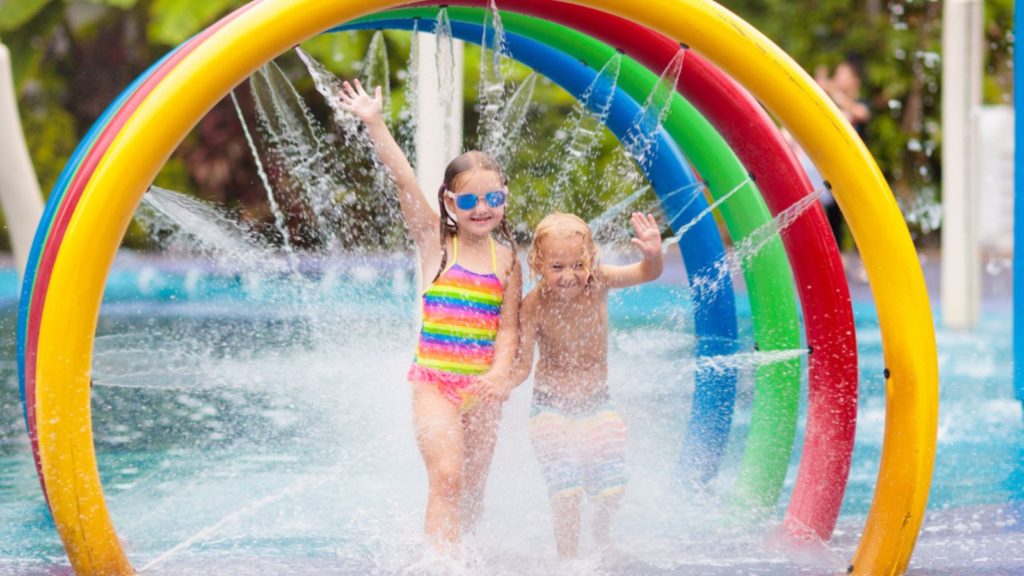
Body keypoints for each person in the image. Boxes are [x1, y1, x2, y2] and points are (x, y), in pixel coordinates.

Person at [338, 79, 522, 552]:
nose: (481, 209)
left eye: (492, 199)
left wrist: (501, 375)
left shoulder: (508, 260)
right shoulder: (437, 244)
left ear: (504, 197)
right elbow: (403, 180)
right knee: (447, 478)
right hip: (435, 384)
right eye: (468, 201)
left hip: (483, 390)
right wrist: (375, 122)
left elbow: (508, 330)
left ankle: (466, 556)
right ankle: (438, 565)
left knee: (472, 489)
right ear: (448, 203)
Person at [491, 212, 663, 558]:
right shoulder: (533, 306)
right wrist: (502, 384)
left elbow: (648, 272)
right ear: (539, 264)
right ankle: (567, 560)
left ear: (591, 258)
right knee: (566, 489)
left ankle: (600, 542)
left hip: (597, 402)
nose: (569, 276)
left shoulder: (598, 281)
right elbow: (523, 365)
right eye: (557, 267)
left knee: (612, 486)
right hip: (550, 406)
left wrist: (654, 254)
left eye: (577, 264)